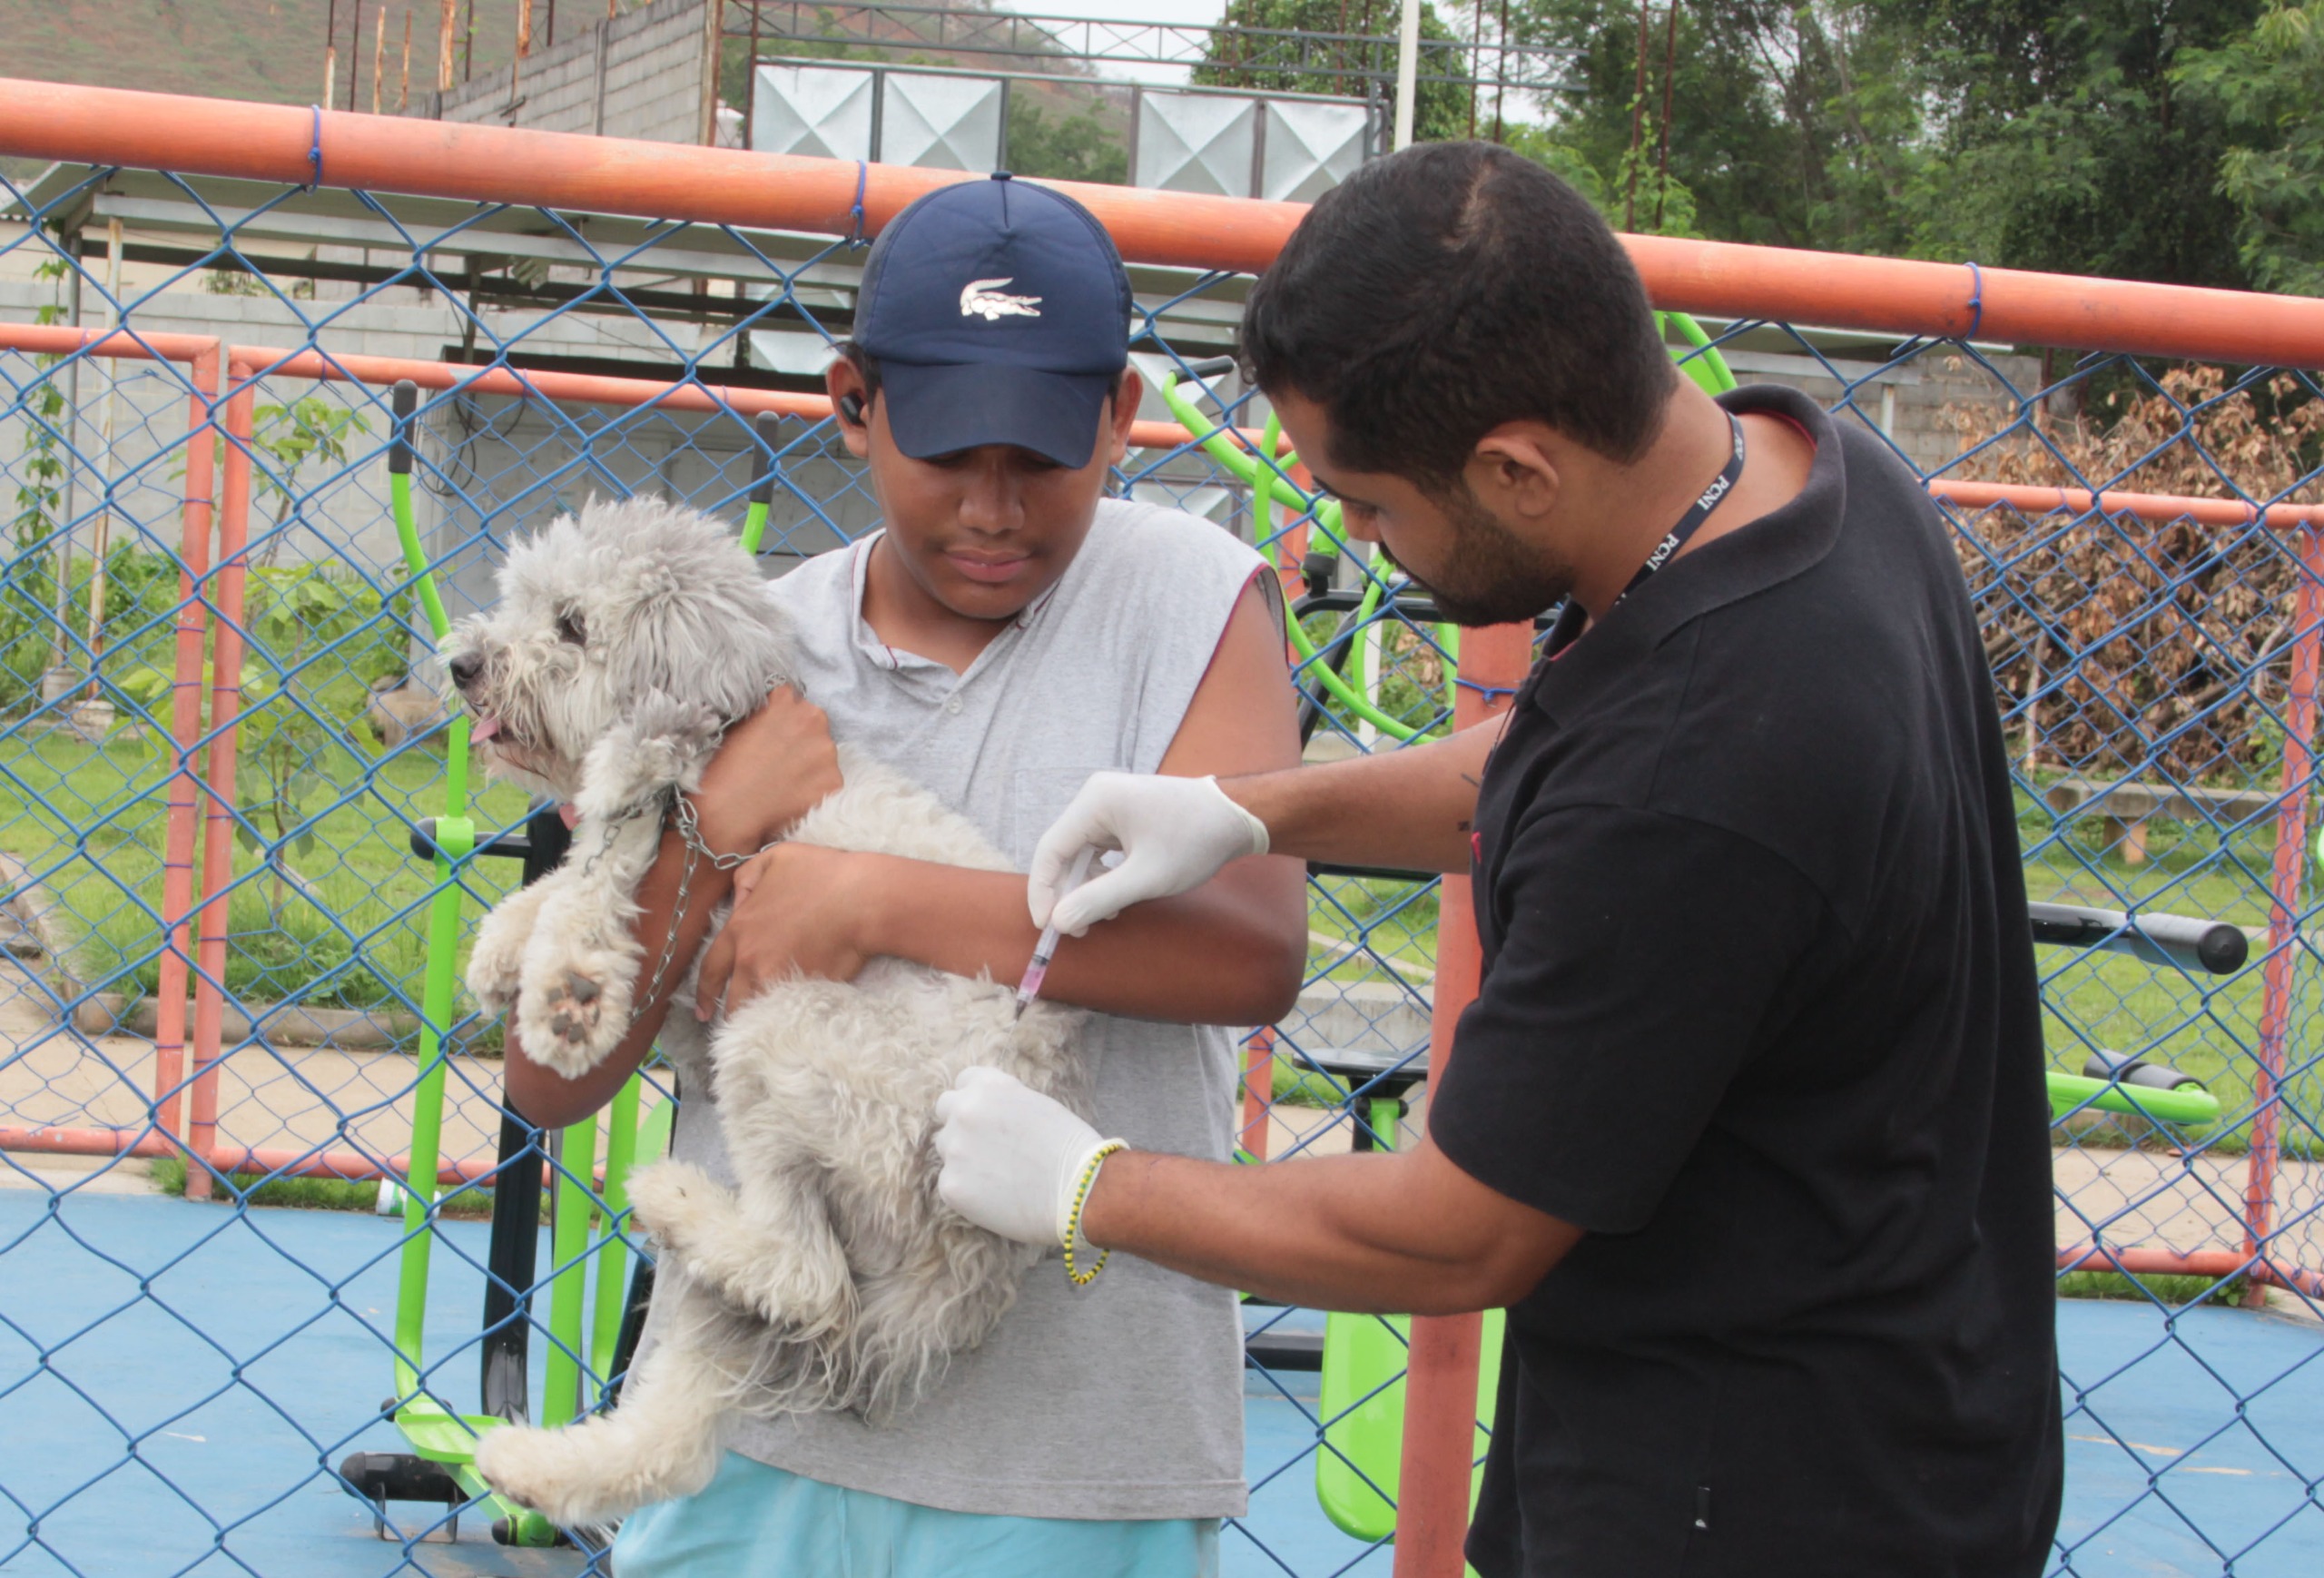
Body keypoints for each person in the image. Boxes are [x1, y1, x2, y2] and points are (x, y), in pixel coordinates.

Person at [931, 143, 2066, 1577]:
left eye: (1372, 501)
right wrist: (1249, 809)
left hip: (1758, 1505)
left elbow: (1448, 1232)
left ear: (1517, 466)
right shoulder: (1800, 479)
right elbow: (1570, 752)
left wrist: (1088, 1185)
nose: (1358, 535)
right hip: (1925, 1407)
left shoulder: (1703, 775)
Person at [500, 173, 1307, 1576]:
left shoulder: (1190, 592)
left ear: (1121, 414)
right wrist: (708, 835)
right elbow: (553, 1081)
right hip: (755, 1433)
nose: (993, 508)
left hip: (1072, 1454)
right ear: (852, 402)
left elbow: (1247, 947)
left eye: (1043, 455)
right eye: (946, 452)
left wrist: (873, 898)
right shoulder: (741, 642)